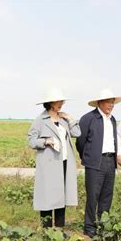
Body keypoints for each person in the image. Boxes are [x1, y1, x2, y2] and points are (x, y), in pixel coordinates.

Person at [27, 88, 81, 230]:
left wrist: (70, 118)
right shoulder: (40, 120)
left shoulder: (63, 119)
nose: (62, 103)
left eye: (62, 101)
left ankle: (59, 229)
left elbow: (77, 133)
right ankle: (46, 231)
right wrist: (45, 142)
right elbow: (31, 140)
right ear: (51, 103)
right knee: (47, 196)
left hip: (64, 162)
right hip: (49, 164)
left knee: (61, 196)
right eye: (59, 101)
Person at [76, 89, 121, 238]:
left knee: (106, 195)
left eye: (112, 102)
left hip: (110, 161)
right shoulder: (88, 118)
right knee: (93, 195)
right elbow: (80, 142)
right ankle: (89, 227)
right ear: (99, 103)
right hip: (94, 162)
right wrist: (89, 156)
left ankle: (103, 224)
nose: (111, 105)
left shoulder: (113, 119)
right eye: (108, 102)